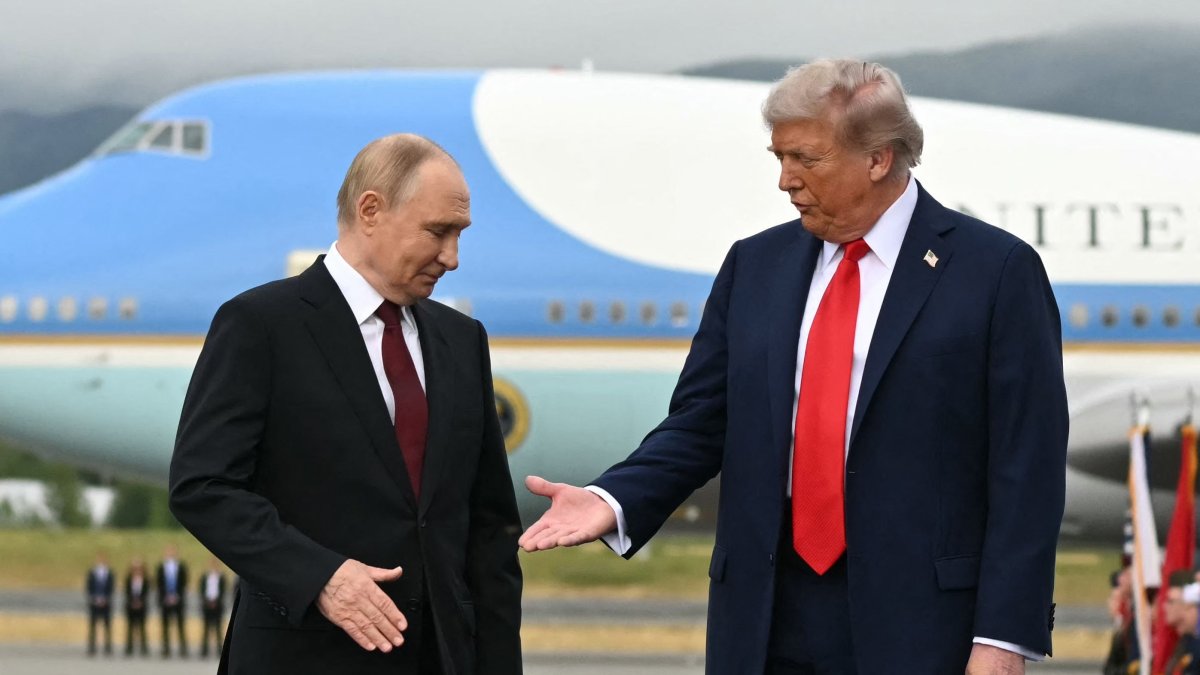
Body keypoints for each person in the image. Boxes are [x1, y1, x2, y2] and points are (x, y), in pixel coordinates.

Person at [519, 59, 1068, 674]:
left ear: (878, 158)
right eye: (779, 157)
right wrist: (614, 498)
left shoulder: (995, 272)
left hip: (923, 627)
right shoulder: (755, 266)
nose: (785, 180)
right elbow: (702, 421)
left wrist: (1003, 637)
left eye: (806, 159)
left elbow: (1027, 469)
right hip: (765, 618)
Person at [169, 133, 523, 675]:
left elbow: (489, 532)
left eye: (460, 235)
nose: (452, 258)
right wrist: (319, 577)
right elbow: (203, 486)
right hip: (301, 658)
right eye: (438, 232)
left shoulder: (462, 340)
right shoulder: (261, 325)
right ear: (370, 210)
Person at [156, 544, 189, 658]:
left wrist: (177, 596)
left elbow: (184, 583)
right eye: (168, 552)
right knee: (165, 626)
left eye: (172, 552)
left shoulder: (181, 566)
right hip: (165, 600)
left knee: (180, 625)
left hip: (178, 599)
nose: (170, 554)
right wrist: (165, 597)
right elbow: (159, 583)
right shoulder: (161, 567)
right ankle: (166, 648)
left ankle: (183, 648)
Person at [85, 551, 114, 656]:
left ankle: (107, 647)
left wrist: (105, 599)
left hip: (106, 603)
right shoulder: (92, 573)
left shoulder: (109, 573)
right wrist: (94, 599)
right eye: (99, 559)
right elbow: (89, 587)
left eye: (103, 559)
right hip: (94, 603)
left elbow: (111, 588)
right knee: (93, 626)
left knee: (107, 626)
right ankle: (92, 647)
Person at [198, 557, 227, 658]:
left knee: (218, 629)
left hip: (217, 605)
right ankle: (204, 650)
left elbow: (222, 591)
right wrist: (207, 602)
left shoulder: (221, 578)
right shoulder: (205, 577)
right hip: (207, 605)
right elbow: (202, 590)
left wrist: (216, 602)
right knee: (206, 628)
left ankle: (219, 650)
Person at [124, 557, 150, 657]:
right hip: (130, 607)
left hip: (142, 607)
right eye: (135, 568)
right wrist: (133, 602)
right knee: (130, 627)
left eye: (139, 568)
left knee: (142, 627)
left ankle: (144, 648)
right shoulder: (128, 579)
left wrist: (140, 602)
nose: (137, 570)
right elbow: (127, 593)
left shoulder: (145, 580)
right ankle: (129, 647)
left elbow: (146, 593)